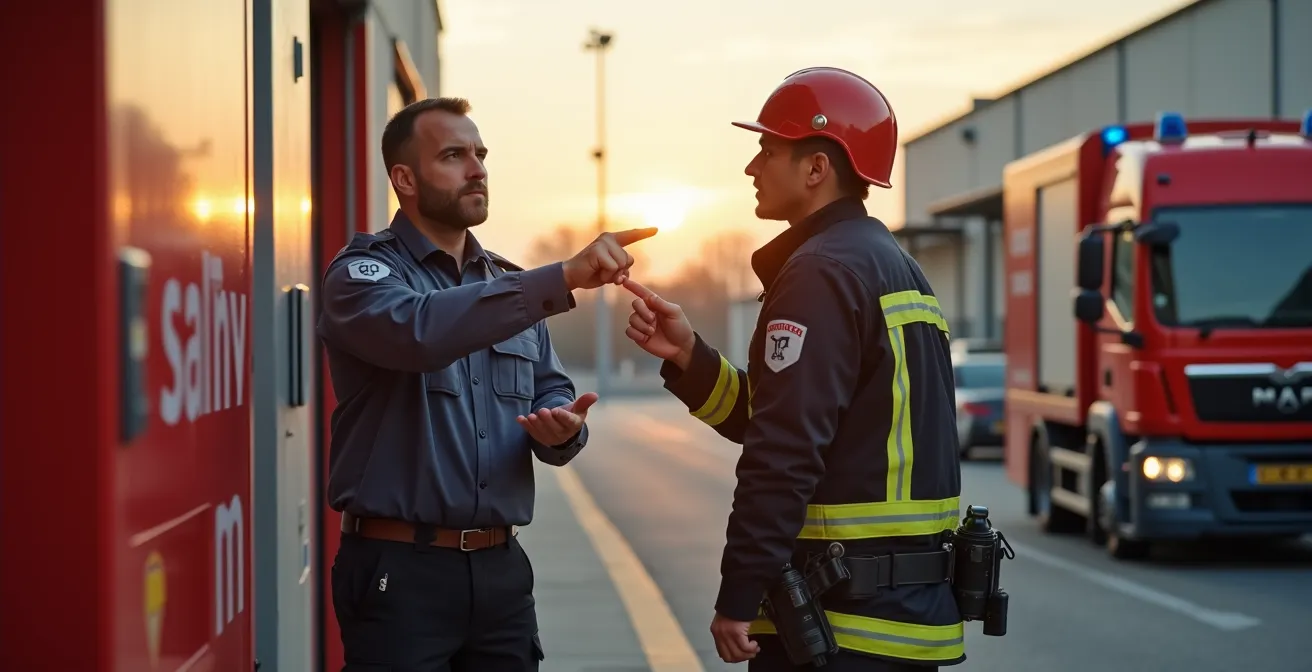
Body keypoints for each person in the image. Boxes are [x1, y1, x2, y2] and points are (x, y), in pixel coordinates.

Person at [622, 68, 966, 670]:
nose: (752, 168)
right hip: (901, 619)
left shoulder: (821, 272)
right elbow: (785, 416)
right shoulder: (892, 265)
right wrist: (689, 357)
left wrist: (738, 593)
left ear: (816, 169)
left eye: (767, 149)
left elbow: (783, 451)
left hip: (843, 626)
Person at [317, 96, 656, 671]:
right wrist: (566, 275)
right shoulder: (363, 276)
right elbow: (419, 332)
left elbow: (549, 387)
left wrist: (561, 429)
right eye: (454, 155)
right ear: (405, 178)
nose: (477, 169)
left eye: (480, 154)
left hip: (500, 573)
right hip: (399, 571)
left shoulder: (509, 284)